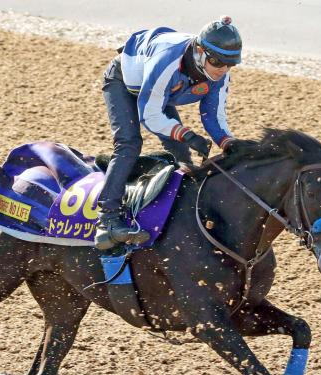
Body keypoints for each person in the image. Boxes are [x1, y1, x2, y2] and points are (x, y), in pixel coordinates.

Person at [95, 16, 243, 250]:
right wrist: (186, 133)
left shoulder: (219, 73)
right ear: (200, 52)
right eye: (217, 62)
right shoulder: (168, 61)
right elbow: (150, 115)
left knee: (181, 154)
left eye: (230, 64)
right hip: (124, 83)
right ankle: (108, 218)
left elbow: (213, 116)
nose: (223, 70)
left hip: (160, 92)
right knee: (129, 143)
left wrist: (229, 143)